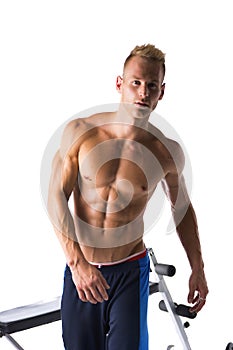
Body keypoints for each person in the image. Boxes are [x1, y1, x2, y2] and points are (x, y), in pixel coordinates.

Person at [47, 44, 208, 350]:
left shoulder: (166, 151)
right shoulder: (81, 132)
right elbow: (56, 196)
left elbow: (182, 210)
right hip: (82, 269)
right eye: (135, 83)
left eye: (151, 86)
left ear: (161, 92)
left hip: (130, 271)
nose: (143, 93)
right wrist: (77, 263)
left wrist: (198, 268)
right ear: (119, 83)